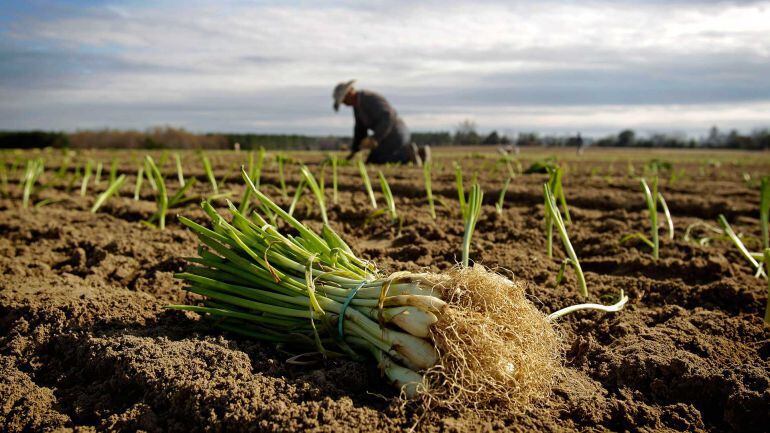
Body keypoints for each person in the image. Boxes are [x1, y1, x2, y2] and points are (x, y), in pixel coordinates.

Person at [332, 80, 428, 165]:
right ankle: (419, 153)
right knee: (371, 159)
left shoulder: (368, 98)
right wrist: (354, 152)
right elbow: (360, 130)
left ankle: (407, 155)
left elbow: (388, 116)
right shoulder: (357, 107)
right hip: (388, 135)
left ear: (350, 93)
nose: (345, 104)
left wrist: (375, 138)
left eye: (344, 100)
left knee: (377, 160)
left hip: (396, 133)